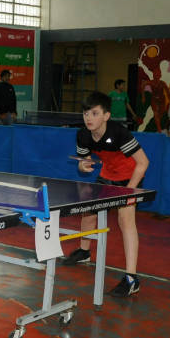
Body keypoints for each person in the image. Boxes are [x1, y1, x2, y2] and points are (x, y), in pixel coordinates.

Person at [63, 91, 149, 298]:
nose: (88, 118)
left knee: (125, 219)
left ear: (106, 116)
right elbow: (84, 161)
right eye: (86, 113)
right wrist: (83, 166)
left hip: (130, 177)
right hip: (108, 175)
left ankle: (131, 279)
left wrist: (129, 190)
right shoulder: (83, 135)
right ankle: (84, 251)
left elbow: (143, 163)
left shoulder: (119, 133)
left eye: (94, 113)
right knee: (88, 211)